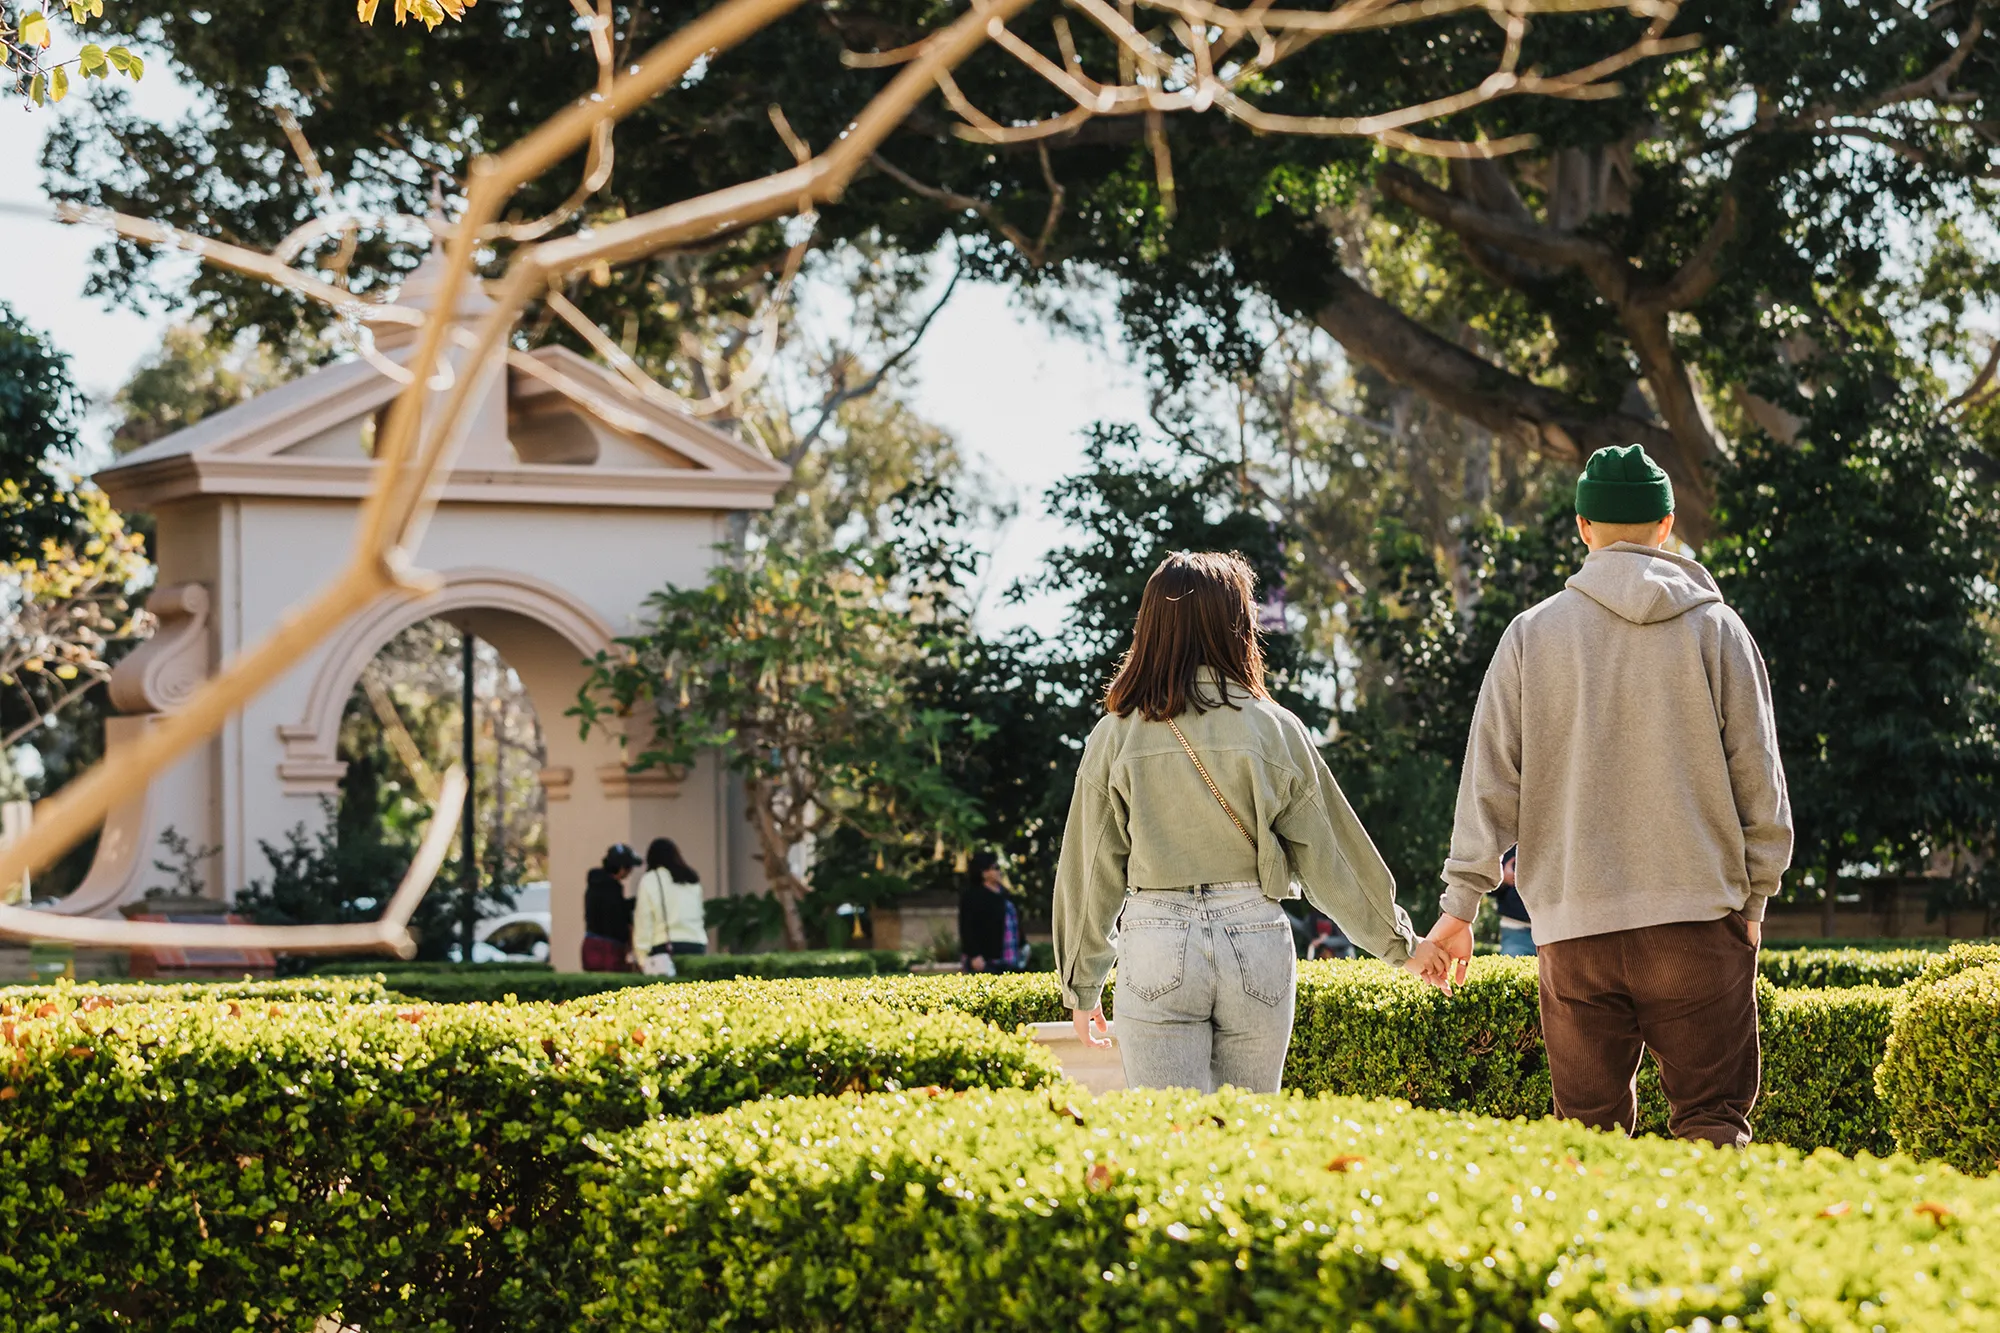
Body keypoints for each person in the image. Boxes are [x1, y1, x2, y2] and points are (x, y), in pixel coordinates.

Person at [1425, 444, 1793, 1148]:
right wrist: (1753, 903)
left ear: (1583, 526)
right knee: (1713, 1123)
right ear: (1667, 523)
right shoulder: (1719, 629)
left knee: (1588, 1144)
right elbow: (1761, 784)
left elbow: (1488, 784)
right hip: (1698, 921)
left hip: (1573, 929)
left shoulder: (1531, 635)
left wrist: (1459, 905)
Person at [1054, 550, 1450, 1095]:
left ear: (1150, 627)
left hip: (1155, 936)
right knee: (1249, 1138)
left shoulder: (1116, 733)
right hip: (1255, 934)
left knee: (1171, 1139)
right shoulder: (1274, 727)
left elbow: (1090, 865)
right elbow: (1331, 855)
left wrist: (1082, 986)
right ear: (1237, 624)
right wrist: (1401, 944)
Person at [633, 838, 708, 977]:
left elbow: (644, 920)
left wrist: (641, 956)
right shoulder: (692, 879)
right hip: (697, 944)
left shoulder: (651, 879)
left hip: (665, 947)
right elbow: (700, 914)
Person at [960, 851, 1026, 973]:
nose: (999, 871)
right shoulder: (972, 896)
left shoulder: (1004, 893)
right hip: (987, 961)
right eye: (995, 868)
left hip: (1010, 958)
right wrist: (974, 955)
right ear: (984, 872)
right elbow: (966, 927)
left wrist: (1023, 945)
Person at [582, 843, 641, 972]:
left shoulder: (594, 885)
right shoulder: (613, 889)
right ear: (622, 868)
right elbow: (618, 918)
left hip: (590, 943)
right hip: (609, 949)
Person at [1494, 846, 1535, 957]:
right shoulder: (1508, 844)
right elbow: (1487, 888)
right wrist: (1503, 879)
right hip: (1515, 929)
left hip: (1553, 930)